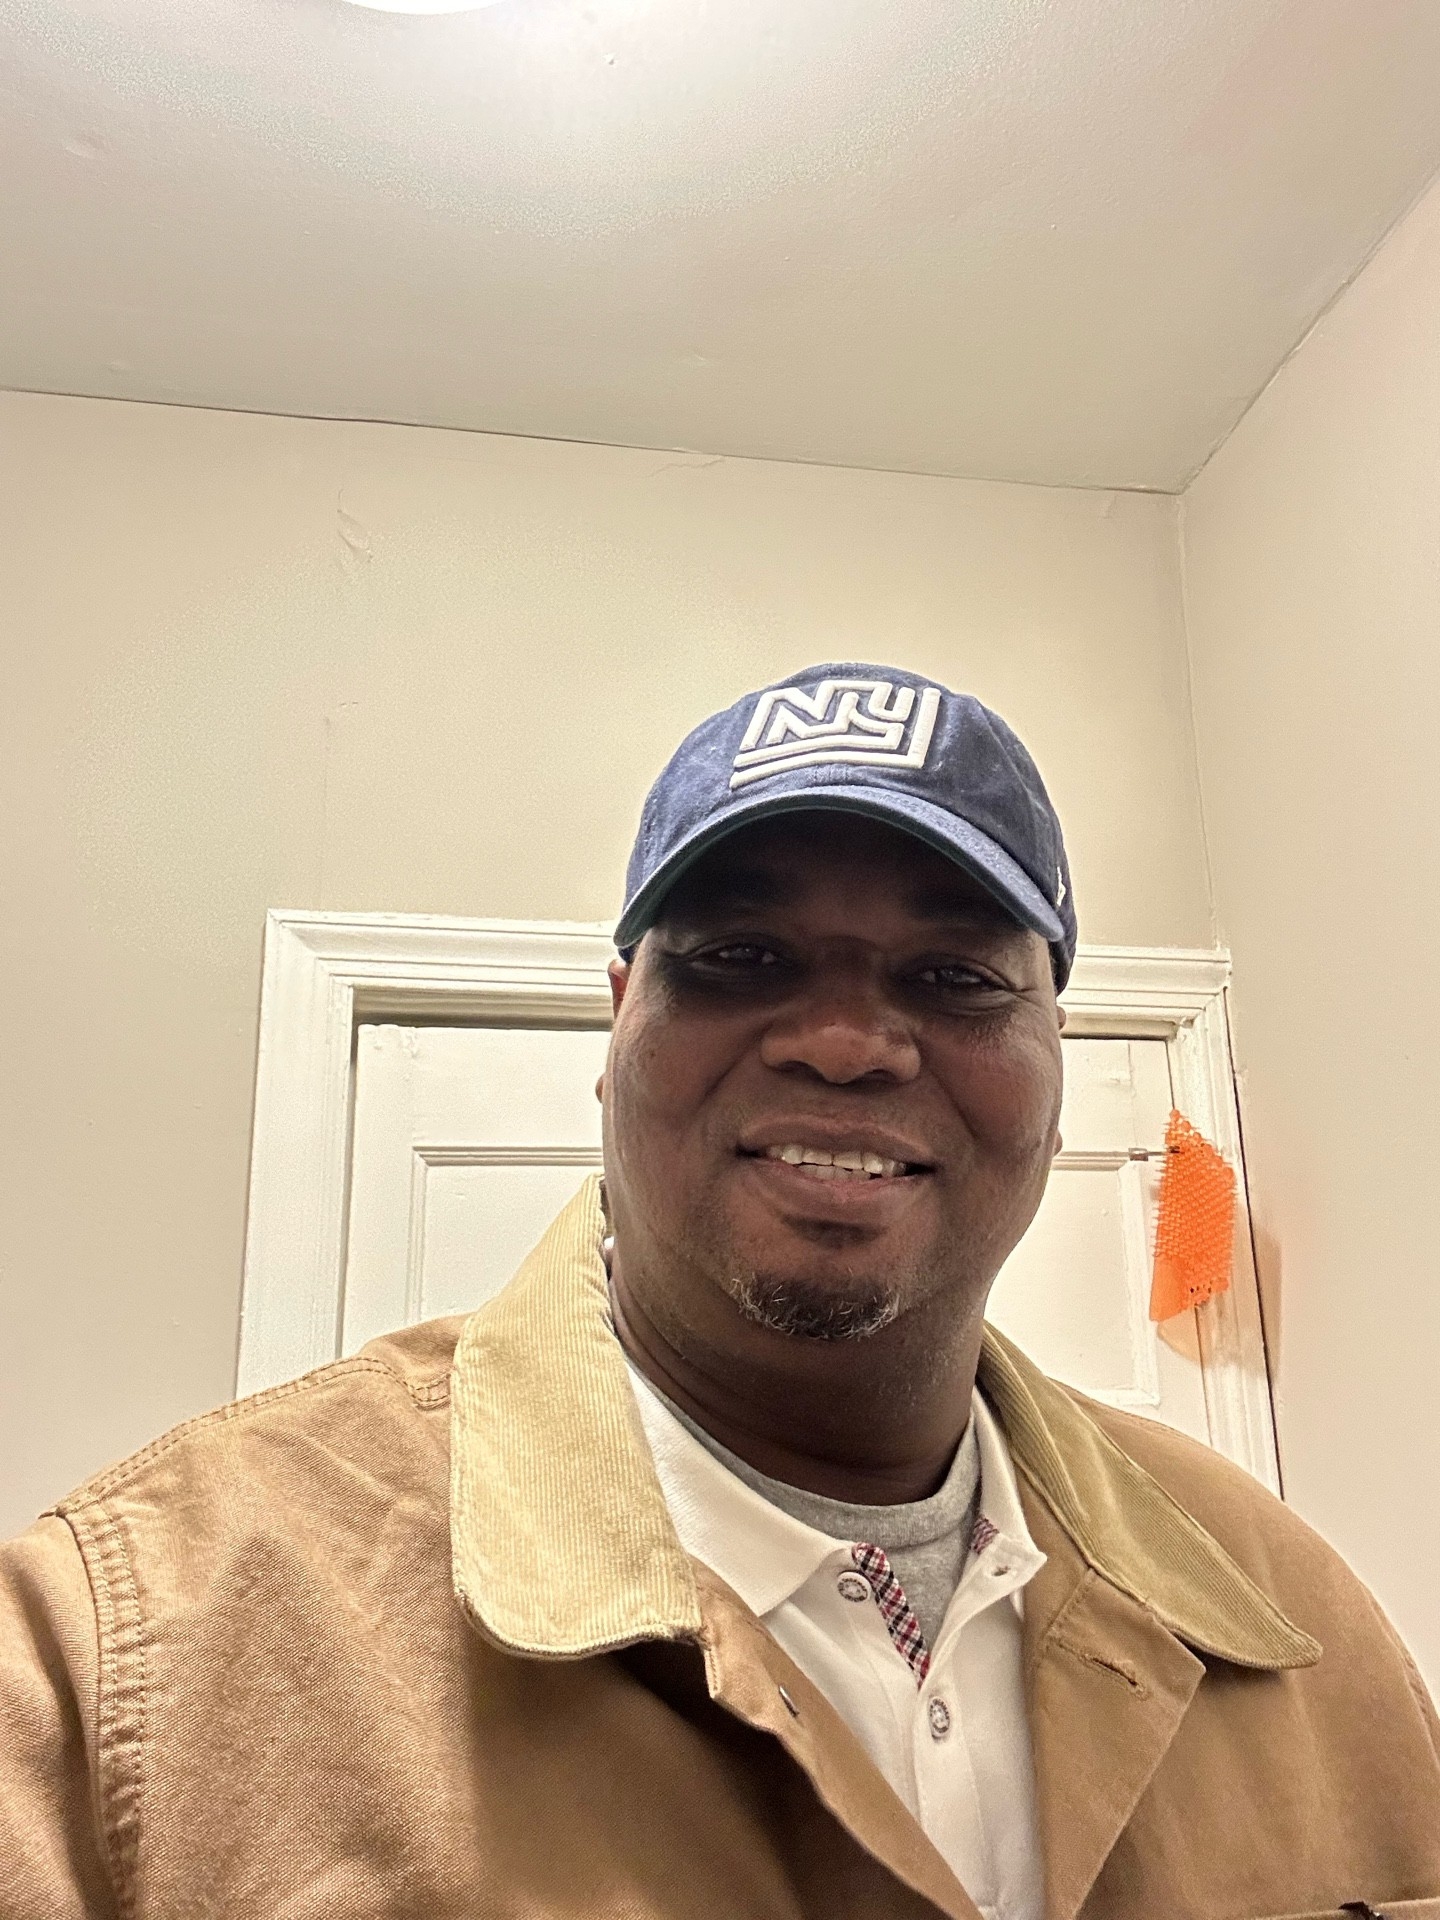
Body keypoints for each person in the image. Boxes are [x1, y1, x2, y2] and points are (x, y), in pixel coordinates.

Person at [2, 664, 1438, 1920]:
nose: (848, 1043)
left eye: (954, 976)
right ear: (617, 1024)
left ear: (1055, 1061)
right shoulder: (125, 1658)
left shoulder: (1301, 1624)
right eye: (743, 960)